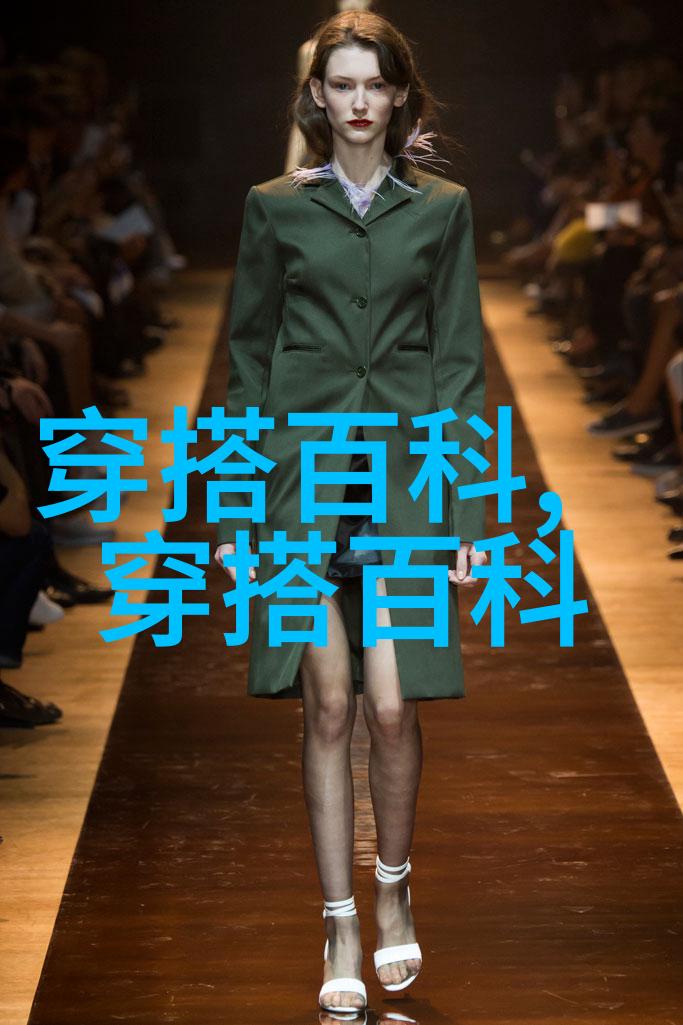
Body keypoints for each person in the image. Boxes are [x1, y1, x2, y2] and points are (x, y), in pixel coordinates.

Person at [214, 10, 488, 1014]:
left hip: (406, 480)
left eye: (375, 83)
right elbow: (246, 364)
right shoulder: (274, 207)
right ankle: (337, 918)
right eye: (342, 84)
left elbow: (459, 365)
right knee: (327, 705)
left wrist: (467, 517)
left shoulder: (443, 209)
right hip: (299, 482)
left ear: (399, 95)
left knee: (392, 706)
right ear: (317, 97)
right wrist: (234, 518)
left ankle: (393, 888)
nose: (359, 101)